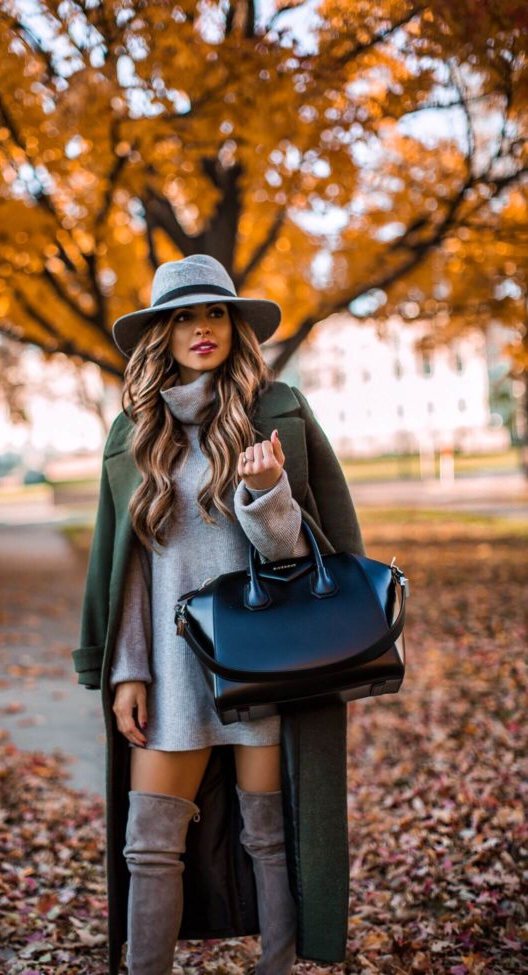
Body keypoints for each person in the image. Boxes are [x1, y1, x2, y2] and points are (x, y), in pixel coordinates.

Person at [73, 253, 367, 975]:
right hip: (174, 669)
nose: (201, 327)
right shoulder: (135, 432)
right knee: (149, 844)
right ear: (161, 336)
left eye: (214, 313)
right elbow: (129, 565)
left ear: (234, 325)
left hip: (264, 660)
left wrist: (268, 495)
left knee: (269, 839)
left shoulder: (278, 412)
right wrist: (128, 671)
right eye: (183, 316)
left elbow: (303, 559)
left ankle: (277, 966)